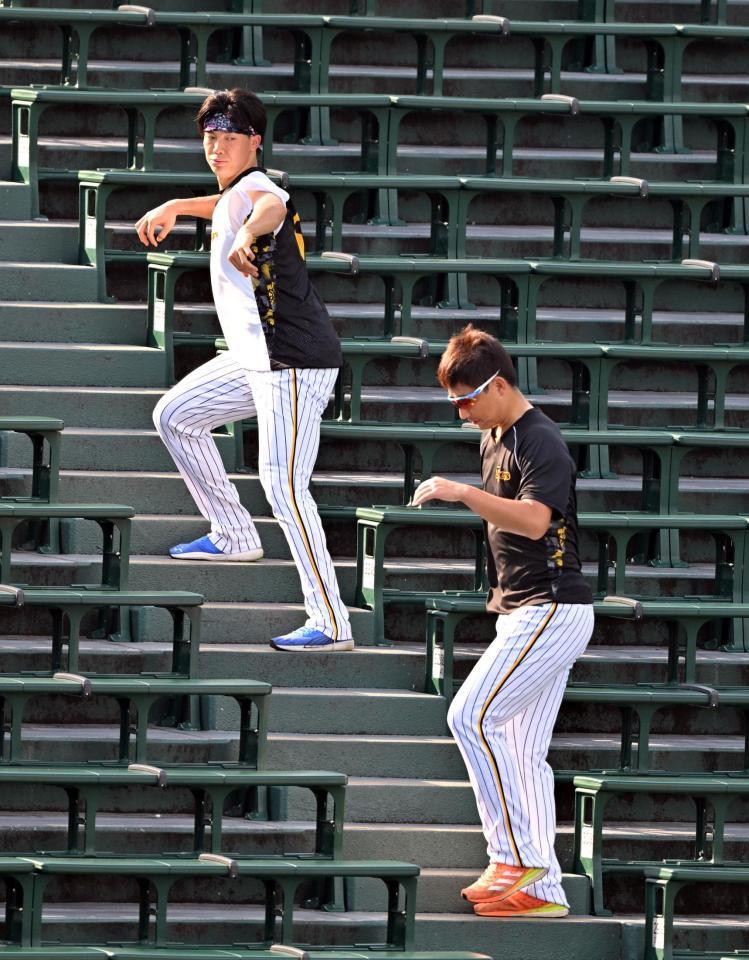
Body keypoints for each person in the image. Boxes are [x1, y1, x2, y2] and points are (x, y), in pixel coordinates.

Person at [135, 87, 353, 652]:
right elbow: (232, 204)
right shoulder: (233, 192)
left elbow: (268, 205)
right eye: (210, 137)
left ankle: (331, 623)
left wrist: (252, 236)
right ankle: (233, 533)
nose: (217, 147)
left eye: (230, 138)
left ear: (254, 142)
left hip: (293, 362)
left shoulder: (258, 188)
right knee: (176, 415)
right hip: (256, 358)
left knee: (284, 487)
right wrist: (177, 207)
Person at [412, 324, 593, 918]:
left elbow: (537, 521)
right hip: (525, 609)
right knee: (520, 749)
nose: (460, 411)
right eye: (453, 402)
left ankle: (513, 856)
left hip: (550, 607)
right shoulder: (494, 434)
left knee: (470, 715)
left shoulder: (540, 438)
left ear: (498, 385)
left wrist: (462, 494)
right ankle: (542, 890)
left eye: (466, 398)